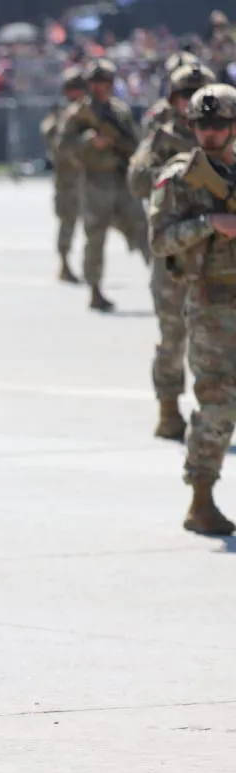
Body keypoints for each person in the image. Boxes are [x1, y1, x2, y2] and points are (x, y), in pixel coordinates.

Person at [149, 82, 236, 536]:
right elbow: (160, 240)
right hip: (212, 308)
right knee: (217, 405)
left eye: (220, 124)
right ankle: (201, 500)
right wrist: (209, 224)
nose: (212, 133)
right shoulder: (180, 177)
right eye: (204, 125)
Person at [129, 64, 215, 442]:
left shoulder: (224, 133)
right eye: (186, 94)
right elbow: (137, 180)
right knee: (173, 336)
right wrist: (177, 175)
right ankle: (169, 409)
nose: (191, 101)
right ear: (174, 100)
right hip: (176, 256)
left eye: (199, 92)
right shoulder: (162, 139)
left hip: (218, 255)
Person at [56, 58, 150, 312]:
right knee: (95, 236)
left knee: (143, 231)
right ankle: (95, 289)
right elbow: (62, 146)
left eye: (105, 83)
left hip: (122, 180)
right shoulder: (78, 113)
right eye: (96, 83)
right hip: (96, 182)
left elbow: (136, 143)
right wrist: (89, 142)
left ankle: (163, 283)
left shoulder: (119, 111)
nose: (100, 88)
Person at [41, 67, 88, 283]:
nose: (77, 93)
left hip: (87, 177)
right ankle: (64, 264)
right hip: (67, 178)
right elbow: (55, 143)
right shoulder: (60, 115)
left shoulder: (87, 112)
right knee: (68, 222)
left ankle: (90, 266)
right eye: (73, 88)